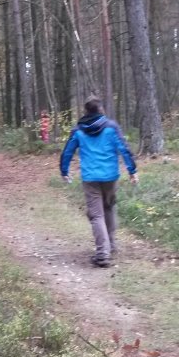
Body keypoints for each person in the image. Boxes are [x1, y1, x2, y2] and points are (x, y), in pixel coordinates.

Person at [60, 97, 138, 268]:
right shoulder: (111, 127)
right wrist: (132, 171)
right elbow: (124, 149)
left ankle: (103, 253)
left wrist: (64, 171)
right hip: (110, 176)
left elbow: (67, 152)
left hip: (90, 178)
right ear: (100, 109)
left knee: (96, 215)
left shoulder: (78, 130)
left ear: (86, 111)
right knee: (108, 208)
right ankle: (110, 244)